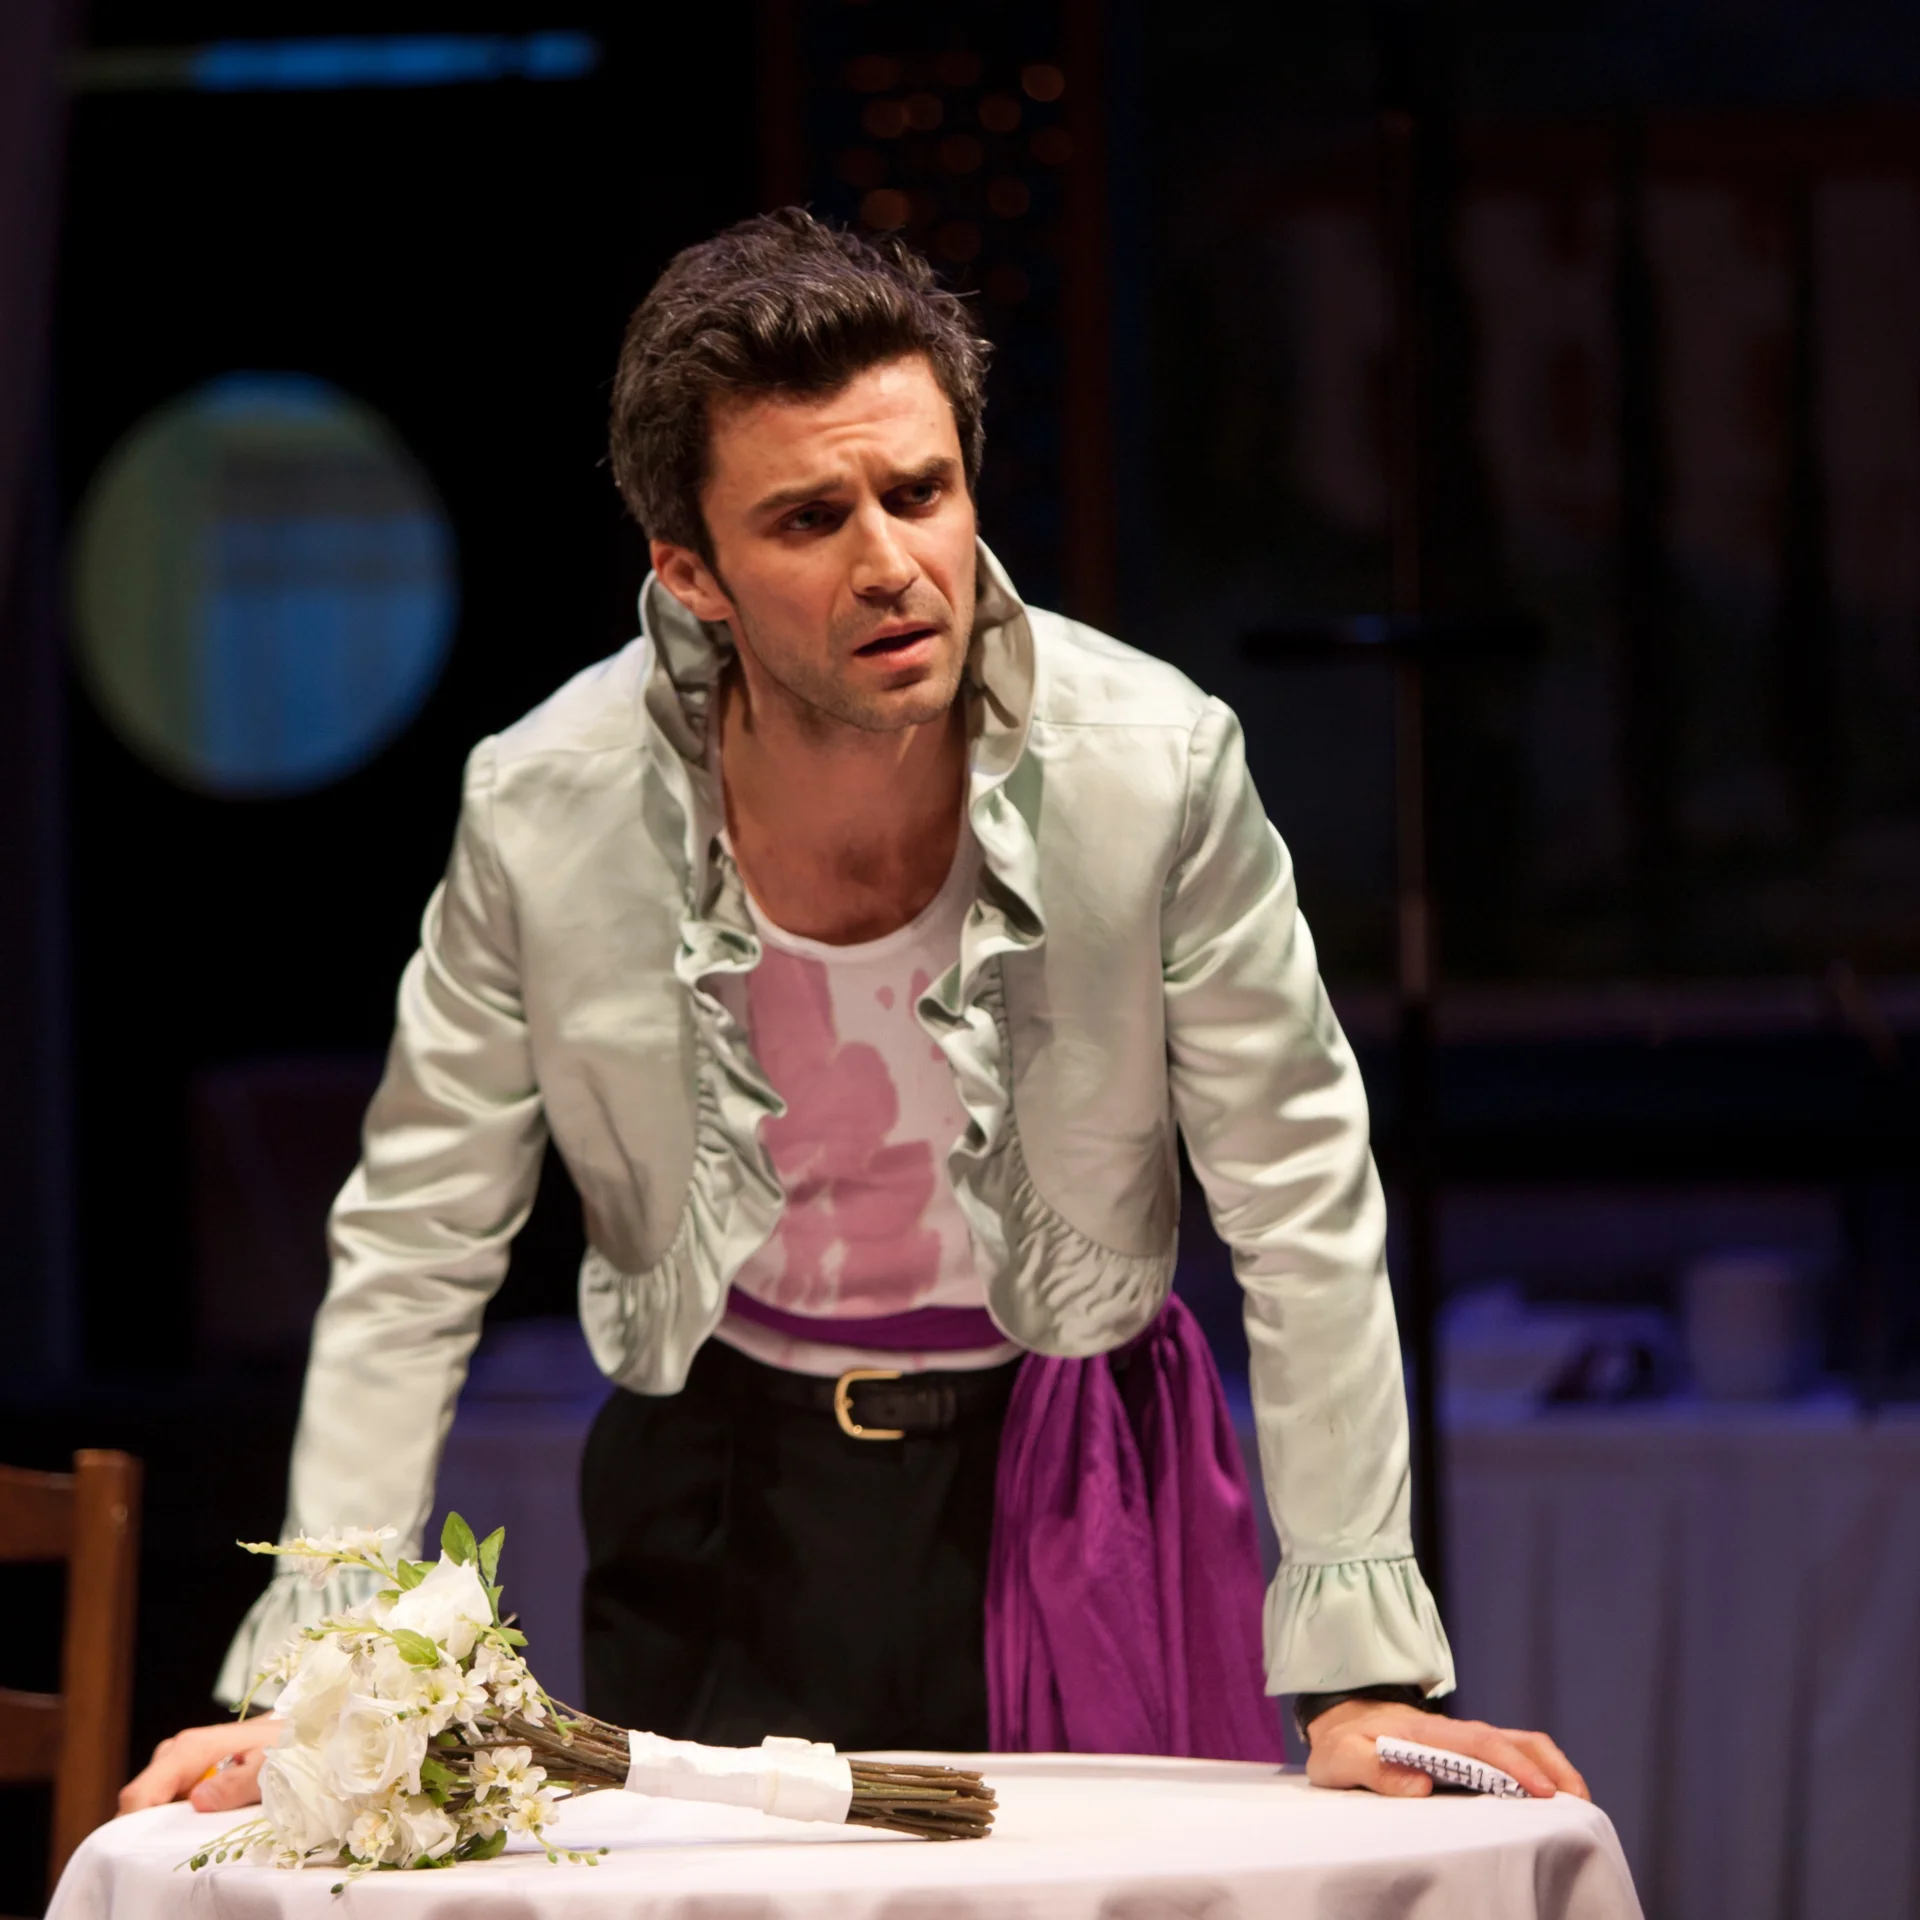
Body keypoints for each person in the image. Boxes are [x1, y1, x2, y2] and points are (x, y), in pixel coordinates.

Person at [122, 210, 1586, 1817]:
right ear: (691, 573)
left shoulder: (1153, 765)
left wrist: (1364, 1675)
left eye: (921, 492)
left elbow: (1299, 1200)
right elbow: (416, 1240)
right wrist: (315, 1674)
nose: (891, 562)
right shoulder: (545, 809)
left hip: (1069, 1469)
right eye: (812, 518)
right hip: (717, 1484)